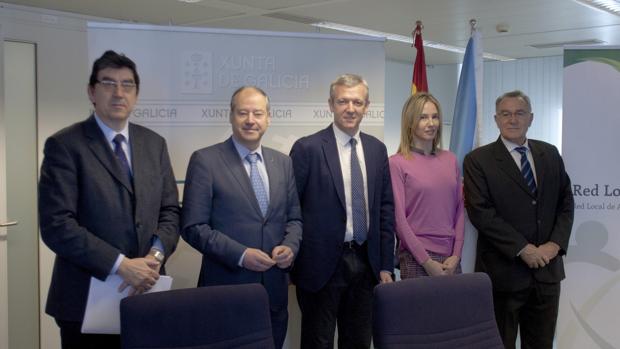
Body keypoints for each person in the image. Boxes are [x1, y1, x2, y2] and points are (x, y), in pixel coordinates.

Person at [39, 50, 180, 349]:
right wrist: (121, 265)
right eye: (108, 83)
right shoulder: (65, 145)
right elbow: (58, 226)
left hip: (147, 292)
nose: (118, 93)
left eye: (127, 84)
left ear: (136, 94)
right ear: (92, 91)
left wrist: (154, 258)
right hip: (86, 297)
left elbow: (170, 211)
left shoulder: (154, 144)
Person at [181, 86, 302, 349]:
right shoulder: (206, 160)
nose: (250, 120)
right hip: (226, 290)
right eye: (243, 112)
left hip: (273, 293)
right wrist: (241, 254)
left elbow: (294, 219)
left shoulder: (283, 162)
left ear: (268, 118)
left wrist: (290, 247)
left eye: (258, 113)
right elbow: (193, 226)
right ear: (231, 116)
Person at [290, 74, 395, 349]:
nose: (350, 108)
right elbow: (291, 211)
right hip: (321, 267)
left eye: (357, 102)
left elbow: (385, 209)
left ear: (367, 106)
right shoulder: (307, 148)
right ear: (331, 104)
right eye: (343, 101)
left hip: (366, 263)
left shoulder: (377, 149)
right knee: (318, 341)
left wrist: (385, 263)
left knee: (359, 341)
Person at [463, 90, 574, 349]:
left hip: (546, 273)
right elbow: (481, 212)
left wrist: (554, 245)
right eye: (506, 114)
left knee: (542, 343)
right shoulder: (478, 160)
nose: (513, 119)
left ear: (531, 118)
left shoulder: (550, 153)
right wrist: (523, 249)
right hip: (503, 274)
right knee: (500, 344)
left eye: (520, 113)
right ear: (496, 119)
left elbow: (566, 203)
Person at [389, 92, 464, 279]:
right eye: (423, 117)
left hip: (451, 260)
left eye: (435, 116)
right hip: (416, 258)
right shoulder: (397, 163)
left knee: (454, 309)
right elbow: (399, 220)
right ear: (410, 122)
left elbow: (460, 210)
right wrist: (426, 262)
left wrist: (456, 255)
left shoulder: (451, 159)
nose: (431, 123)